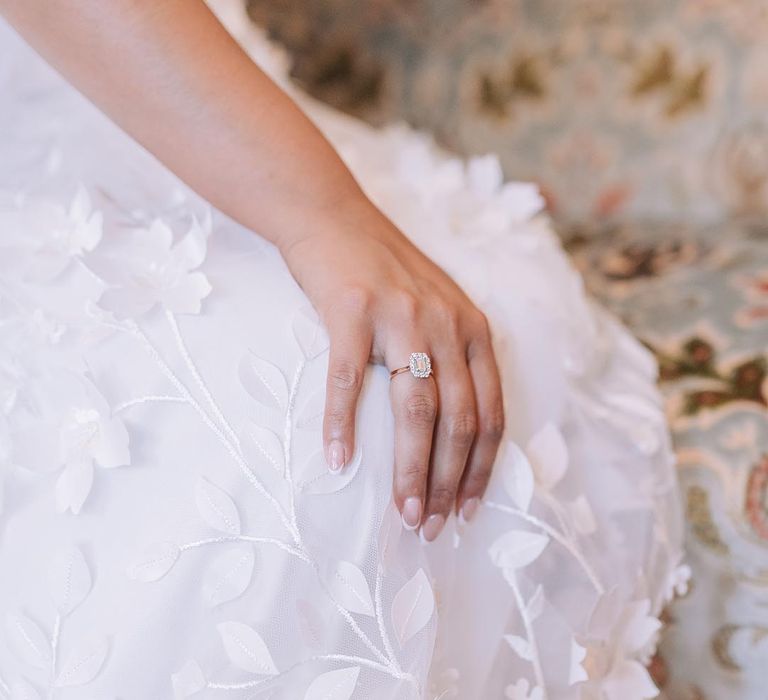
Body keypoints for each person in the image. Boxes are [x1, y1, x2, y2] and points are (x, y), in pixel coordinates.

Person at [0, 1, 685, 698]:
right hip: (52, 144)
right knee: (314, 431)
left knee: (498, 331)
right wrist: (322, 213)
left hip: (201, 83)